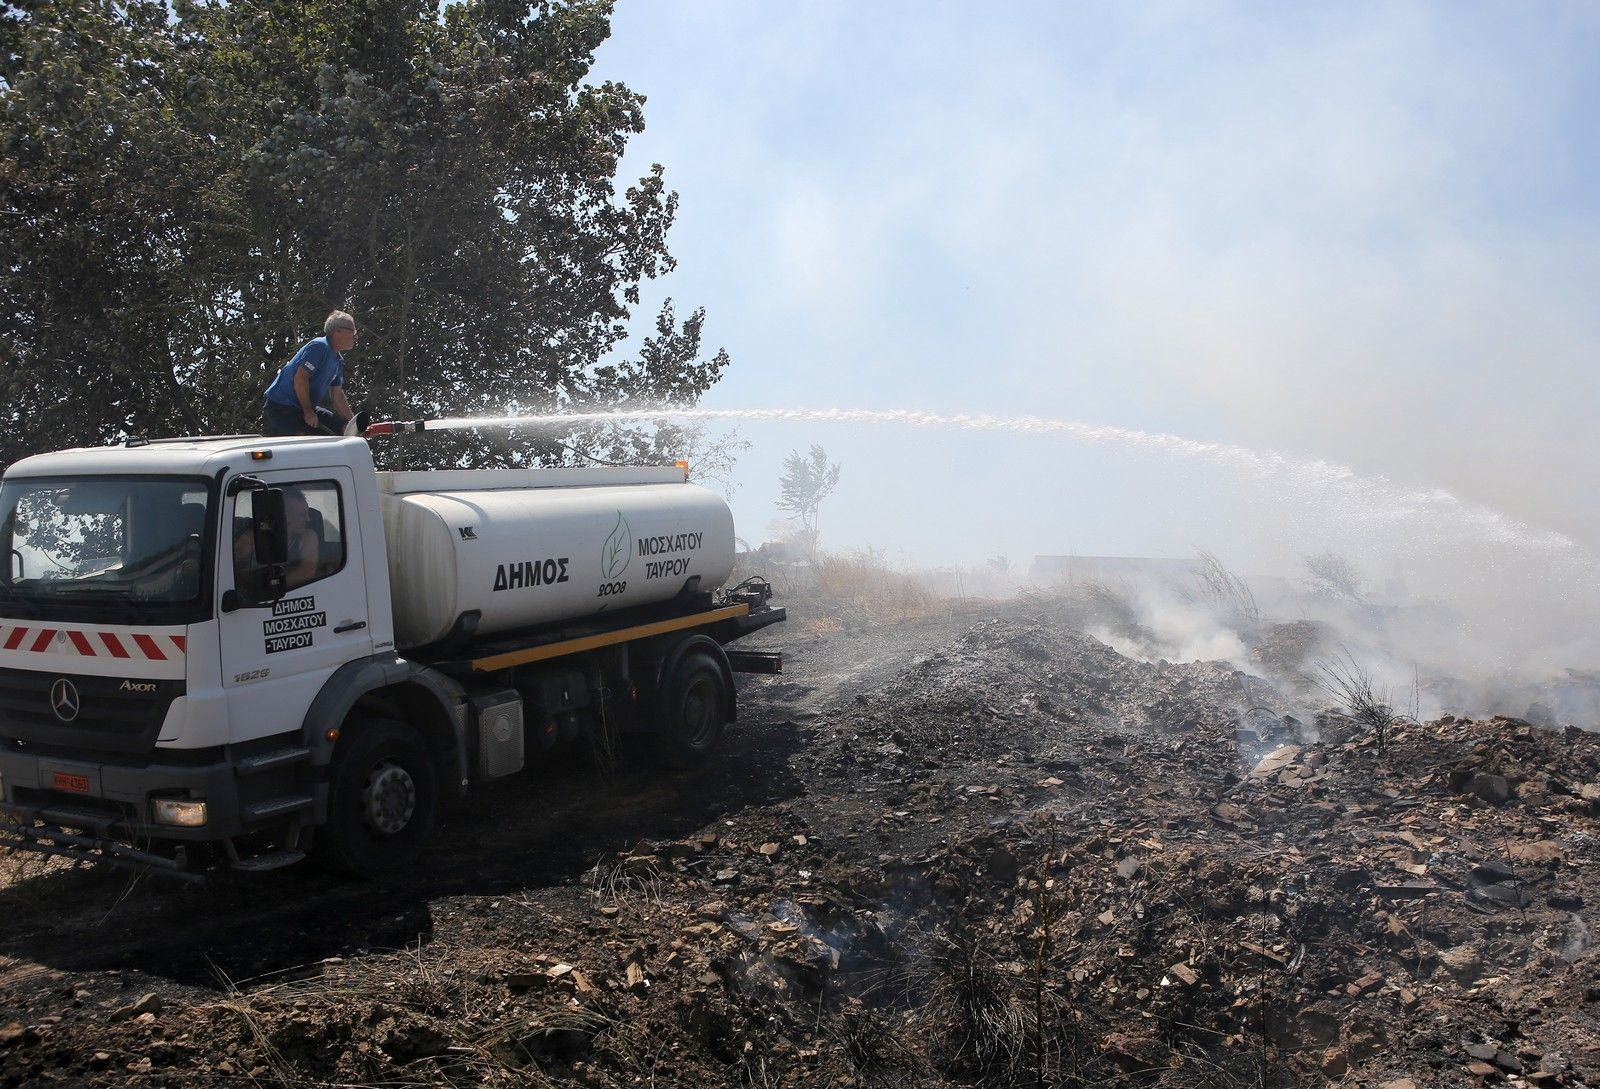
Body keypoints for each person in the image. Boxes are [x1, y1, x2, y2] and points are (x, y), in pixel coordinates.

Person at [261, 311, 358, 436]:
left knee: (343, 428)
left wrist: (354, 424)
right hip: (282, 407)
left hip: (302, 408)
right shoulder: (319, 347)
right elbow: (300, 379)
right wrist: (308, 412)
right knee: (303, 444)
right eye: (353, 331)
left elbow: (337, 394)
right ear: (338, 331)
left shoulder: (337, 360)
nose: (355, 337)